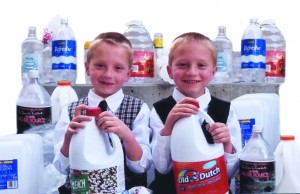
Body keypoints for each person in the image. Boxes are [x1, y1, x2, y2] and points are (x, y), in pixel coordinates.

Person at [53, 32, 152, 193]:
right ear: (87, 68)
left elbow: (141, 167)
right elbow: (61, 167)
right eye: (100, 66)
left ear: (128, 74)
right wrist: (68, 138)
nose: (108, 74)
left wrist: (126, 135)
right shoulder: (70, 111)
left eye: (118, 68)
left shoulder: (139, 109)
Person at [149, 32, 242, 194]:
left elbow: (231, 173)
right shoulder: (159, 110)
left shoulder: (227, 110)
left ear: (213, 71)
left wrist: (227, 144)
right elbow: (162, 168)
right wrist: (169, 127)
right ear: (170, 71)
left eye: (201, 65)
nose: (192, 72)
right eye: (183, 64)